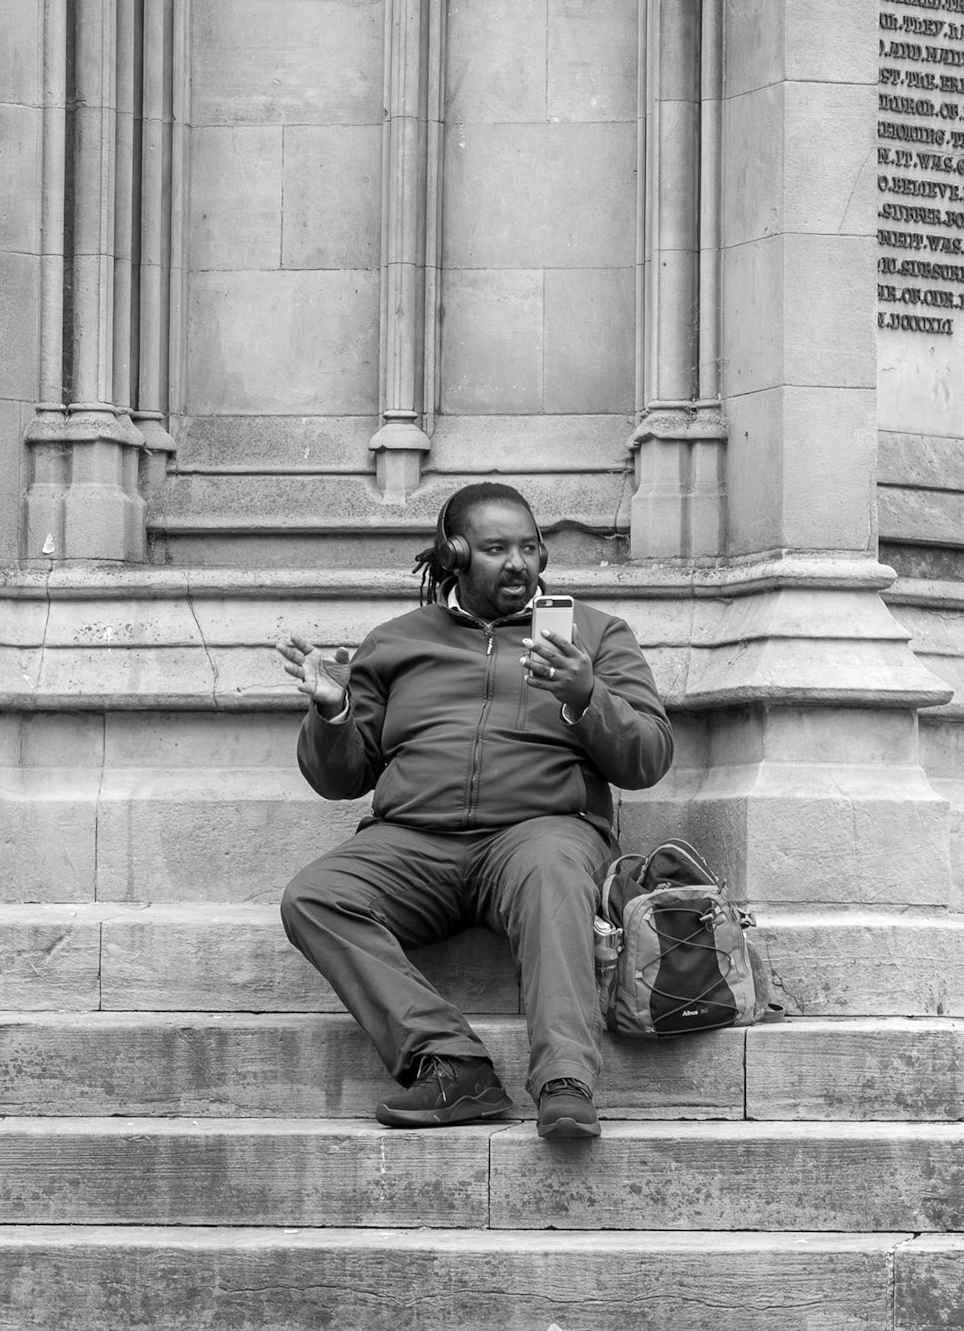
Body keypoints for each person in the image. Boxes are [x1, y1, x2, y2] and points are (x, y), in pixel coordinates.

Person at [277, 481, 674, 1142]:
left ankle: (565, 1083)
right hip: (414, 843)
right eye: (496, 548)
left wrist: (585, 695)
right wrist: (332, 710)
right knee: (313, 896)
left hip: (539, 832)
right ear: (456, 555)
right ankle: (452, 1063)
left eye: (529, 548)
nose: (519, 563)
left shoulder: (595, 635)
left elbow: (650, 757)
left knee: (554, 869)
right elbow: (341, 778)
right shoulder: (396, 642)